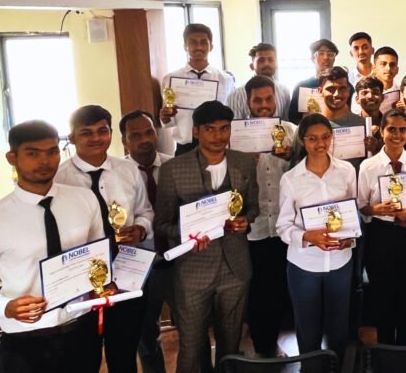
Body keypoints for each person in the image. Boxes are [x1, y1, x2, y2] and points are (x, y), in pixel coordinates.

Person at [0, 120, 105, 373]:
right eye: (33, 153)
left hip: (81, 329)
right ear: (12, 158)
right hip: (26, 339)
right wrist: (6, 307)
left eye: (52, 152)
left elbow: (97, 255)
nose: (45, 161)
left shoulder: (84, 200)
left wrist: (103, 284)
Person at [153, 101, 259, 373]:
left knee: (231, 343)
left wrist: (246, 220)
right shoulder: (173, 169)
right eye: (210, 129)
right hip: (193, 268)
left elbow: (253, 207)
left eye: (224, 129)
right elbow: (162, 223)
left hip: (235, 267)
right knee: (191, 345)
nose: (218, 136)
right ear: (196, 131)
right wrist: (187, 234)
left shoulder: (245, 162)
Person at [55, 105, 153, 373]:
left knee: (124, 353)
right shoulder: (59, 178)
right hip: (80, 280)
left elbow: (145, 211)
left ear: (111, 133)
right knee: (84, 357)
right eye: (86, 133)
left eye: (102, 131)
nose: (96, 138)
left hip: (126, 272)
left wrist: (141, 229)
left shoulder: (127, 170)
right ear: (72, 137)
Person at [276, 113, 357, 353]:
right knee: (307, 326)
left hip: (340, 261)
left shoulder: (347, 171)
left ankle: (337, 366)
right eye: (313, 138)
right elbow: (283, 226)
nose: (320, 144)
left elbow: (352, 214)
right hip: (304, 264)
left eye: (325, 137)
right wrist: (307, 236)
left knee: (339, 326)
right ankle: (309, 366)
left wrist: (349, 239)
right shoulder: (291, 179)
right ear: (302, 140)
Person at [356, 109, 406, 345]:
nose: (397, 135)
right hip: (382, 235)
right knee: (382, 292)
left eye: (402, 130)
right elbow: (362, 205)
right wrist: (376, 210)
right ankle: (385, 346)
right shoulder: (368, 166)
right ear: (382, 132)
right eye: (391, 129)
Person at [242, 76, 296, 358]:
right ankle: (261, 347)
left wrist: (292, 157)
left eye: (268, 99)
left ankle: (273, 343)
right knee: (256, 290)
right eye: (257, 100)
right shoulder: (237, 136)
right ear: (248, 101)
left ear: (276, 99)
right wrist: (241, 163)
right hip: (254, 227)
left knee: (279, 289)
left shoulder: (292, 132)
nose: (264, 105)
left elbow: (307, 170)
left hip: (286, 225)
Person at [120, 110, 176, 373]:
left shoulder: (175, 166)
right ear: (124, 140)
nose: (144, 139)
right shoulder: (117, 175)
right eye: (135, 135)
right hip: (138, 267)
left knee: (193, 329)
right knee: (145, 337)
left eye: (149, 132)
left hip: (177, 262)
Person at [160, 23, 235, 155]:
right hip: (185, 148)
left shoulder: (225, 79)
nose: (199, 47)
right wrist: (165, 117)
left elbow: (230, 117)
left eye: (203, 42)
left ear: (211, 46)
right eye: (193, 42)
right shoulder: (171, 79)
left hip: (216, 146)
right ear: (185, 46)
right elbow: (168, 122)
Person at [228, 43, 291, 120]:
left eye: (271, 60)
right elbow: (235, 126)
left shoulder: (284, 91)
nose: (266, 64)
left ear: (276, 64)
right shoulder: (237, 95)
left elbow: (286, 123)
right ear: (251, 66)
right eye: (261, 60)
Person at [287, 39, 339, 123]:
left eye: (330, 54)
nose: (326, 58)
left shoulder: (342, 85)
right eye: (321, 53)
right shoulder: (302, 86)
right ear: (313, 58)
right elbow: (293, 117)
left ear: (334, 59)